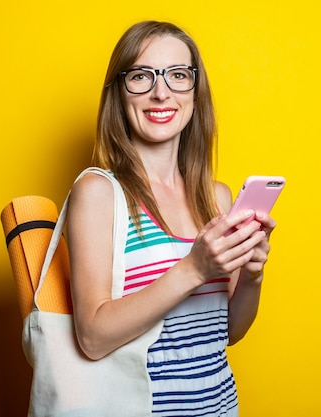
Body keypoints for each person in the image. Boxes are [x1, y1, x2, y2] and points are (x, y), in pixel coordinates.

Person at [66, 20, 275, 416]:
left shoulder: (216, 197)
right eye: (142, 76)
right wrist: (195, 268)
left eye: (178, 76)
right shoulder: (98, 193)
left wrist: (252, 275)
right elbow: (92, 337)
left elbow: (229, 332)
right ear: (119, 93)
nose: (161, 92)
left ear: (196, 95)